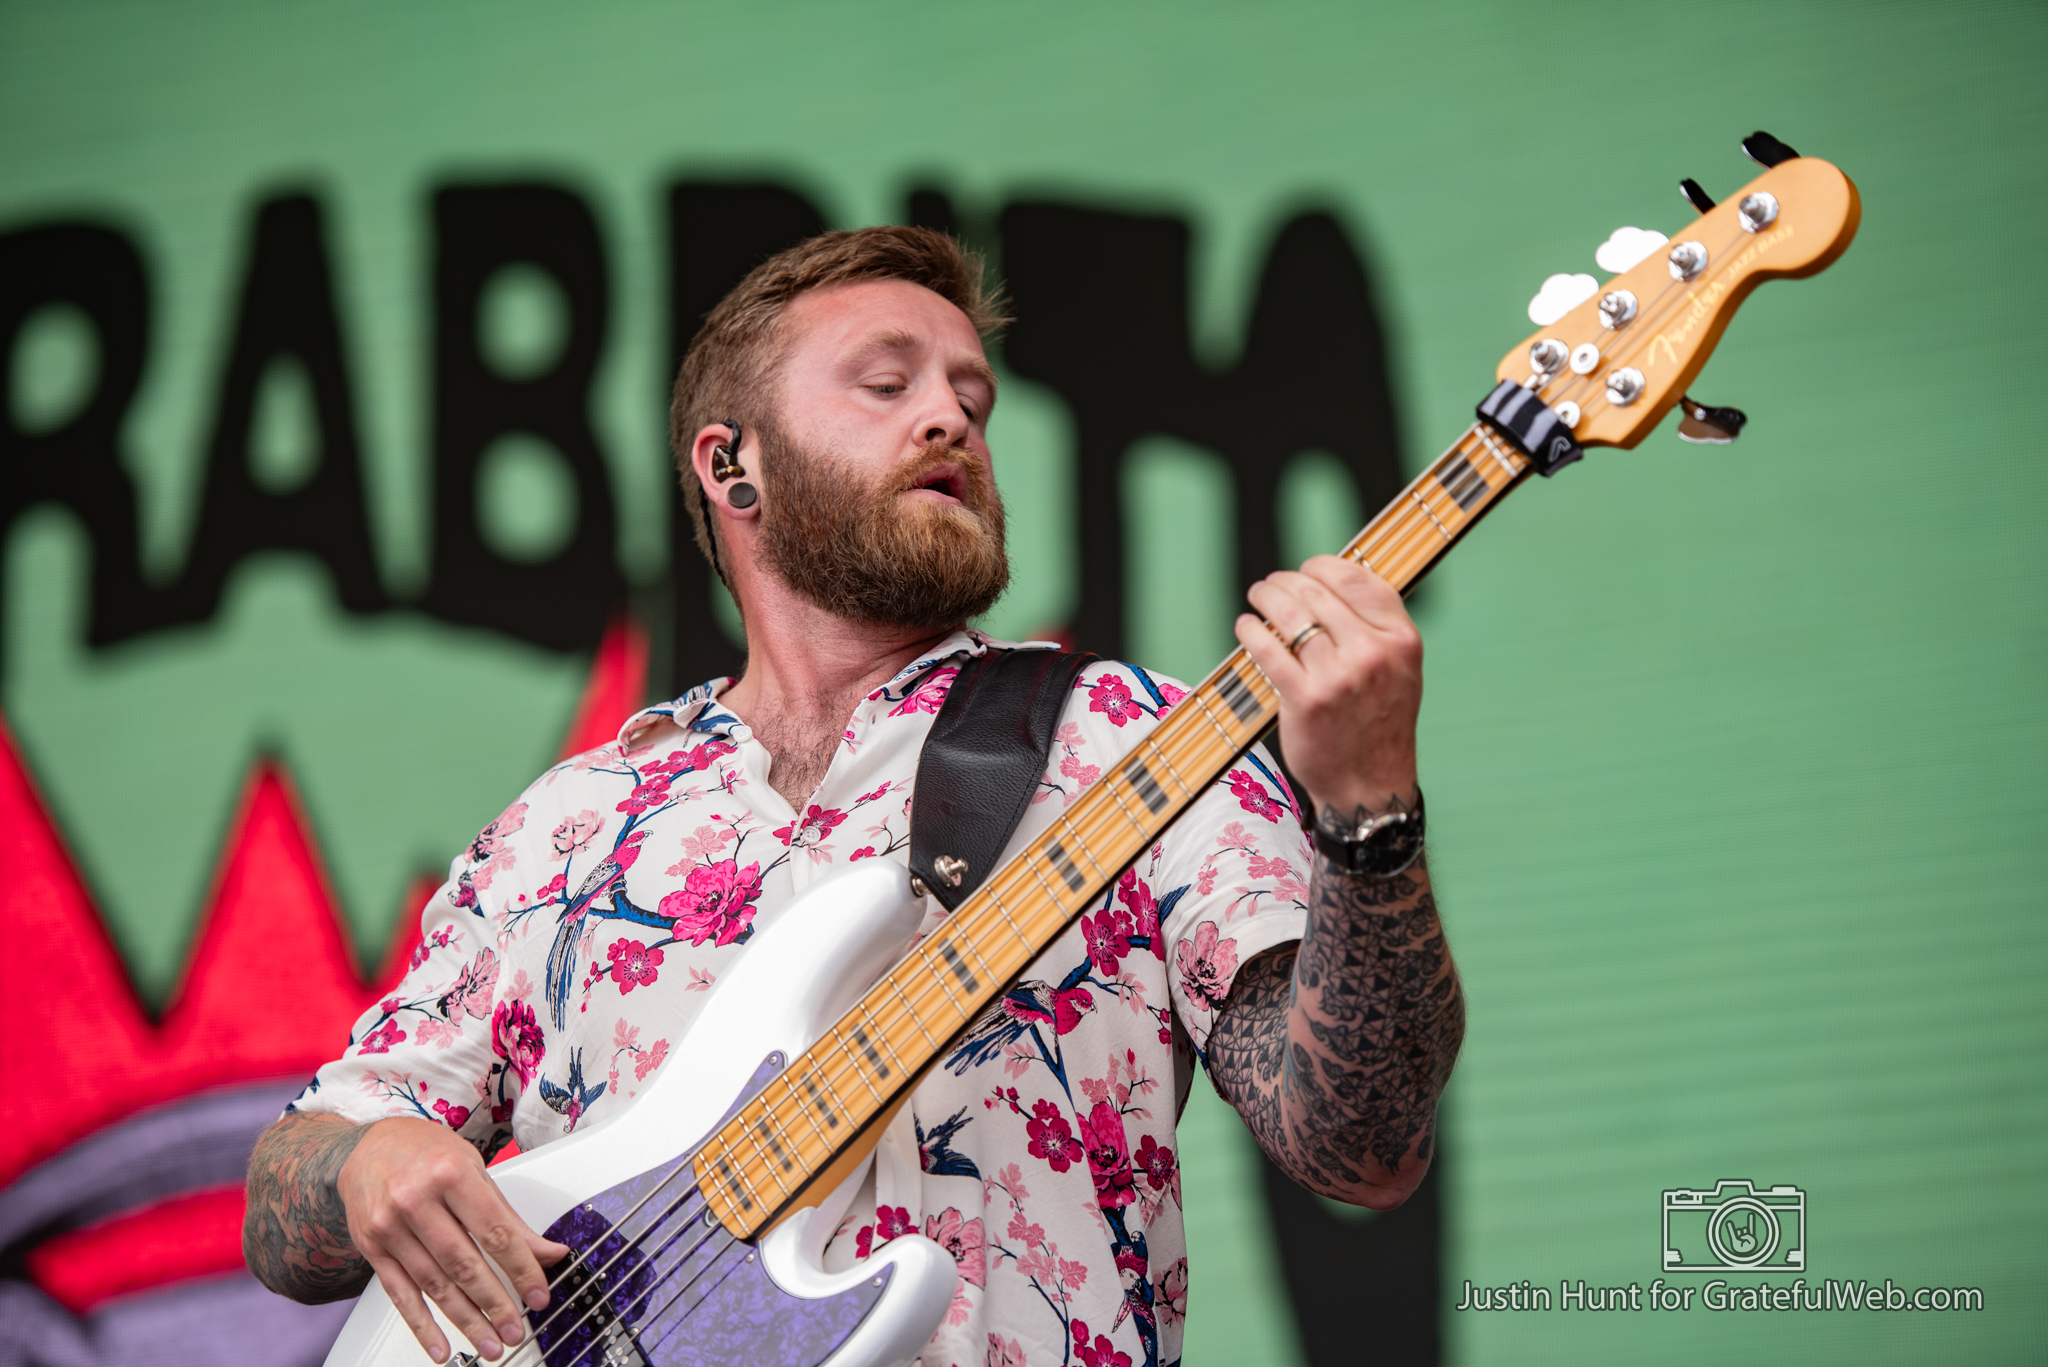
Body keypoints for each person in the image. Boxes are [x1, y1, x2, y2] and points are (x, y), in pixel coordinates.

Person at [244, 227, 1463, 1367]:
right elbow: (283, 1203)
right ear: (731, 464)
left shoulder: (1129, 737)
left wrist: (1366, 819)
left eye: (970, 399)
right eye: (886, 385)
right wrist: (368, 1161)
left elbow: (1359, 1142)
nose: (950, 416)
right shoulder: (563, 827)